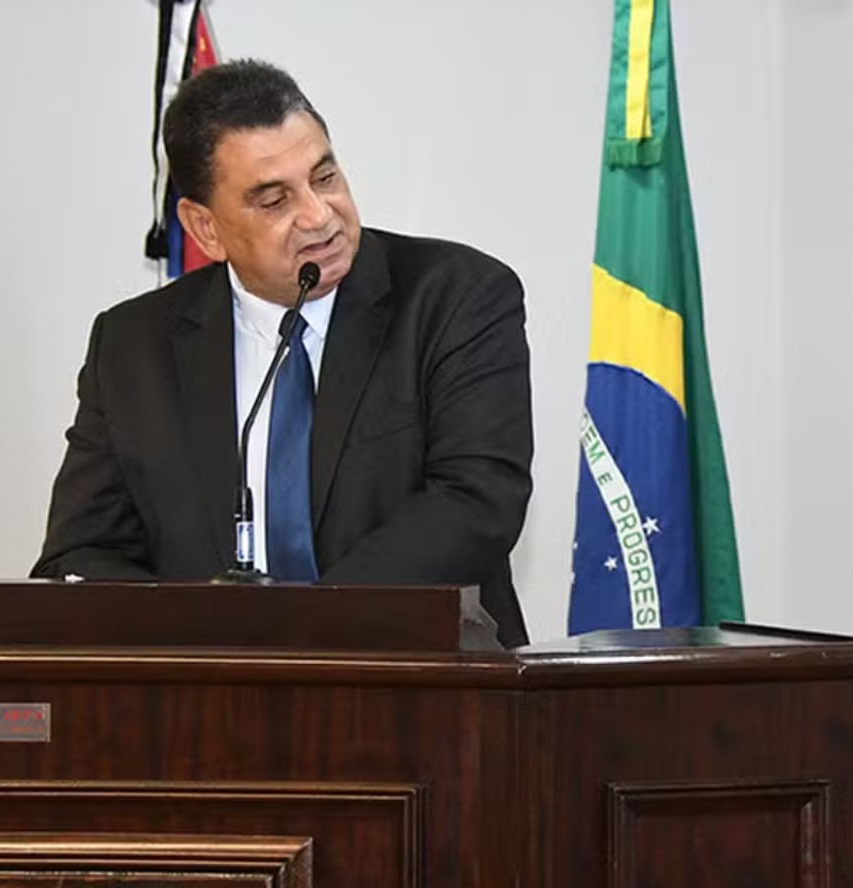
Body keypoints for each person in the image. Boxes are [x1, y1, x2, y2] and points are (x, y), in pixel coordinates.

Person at [32, 60, 533, 648]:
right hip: (213, 690)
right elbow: (83, 554)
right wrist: (212, 646)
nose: (319, 216)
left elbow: (476, 503)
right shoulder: (133, 346)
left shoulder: (455, 297)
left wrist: (300, 631)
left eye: (325, 177)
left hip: (429, 680)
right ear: (205, 228)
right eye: (274, 201)